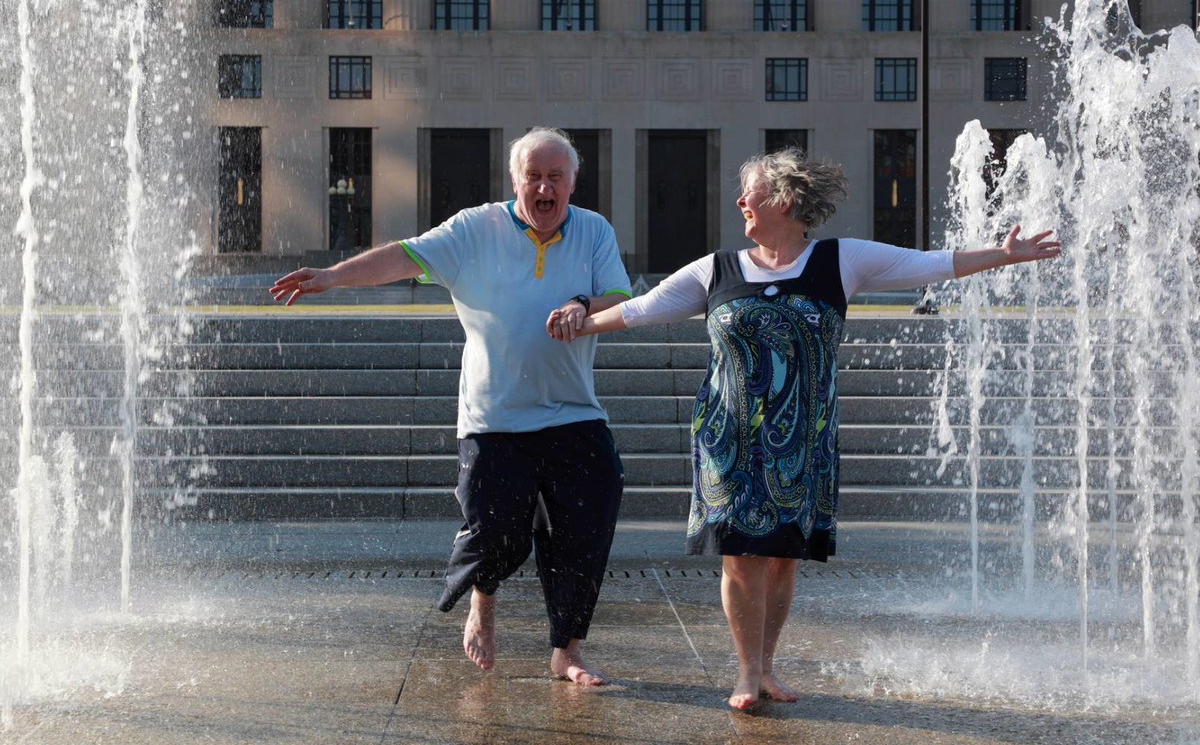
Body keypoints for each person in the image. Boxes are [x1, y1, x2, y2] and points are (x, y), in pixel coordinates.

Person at [547, 147, 1061, 708]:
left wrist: (1003, 256)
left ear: (786, 200)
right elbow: (643, 308)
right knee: (740, 555)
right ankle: (746, 673)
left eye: (753, 193)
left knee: (783, 558)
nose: (741, 201)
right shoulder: (716, 269)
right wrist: (581, 322)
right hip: (729, 438)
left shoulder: (842, 260)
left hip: (803, 440)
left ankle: (767, 667)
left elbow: (929, 262)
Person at [272, 127, 632, 686]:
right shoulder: (475, 228)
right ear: (515, 181)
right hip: (495, 418)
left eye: (554, 177)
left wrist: (582, 304)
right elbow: (404, 255)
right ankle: (481, 603)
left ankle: (567, 650)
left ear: (572, 182)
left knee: (589, 521)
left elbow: (619, 296)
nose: (543, 187)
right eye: (532, 176)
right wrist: (333, 277)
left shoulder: (594, 231)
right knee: (497, 534)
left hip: (572, 413)